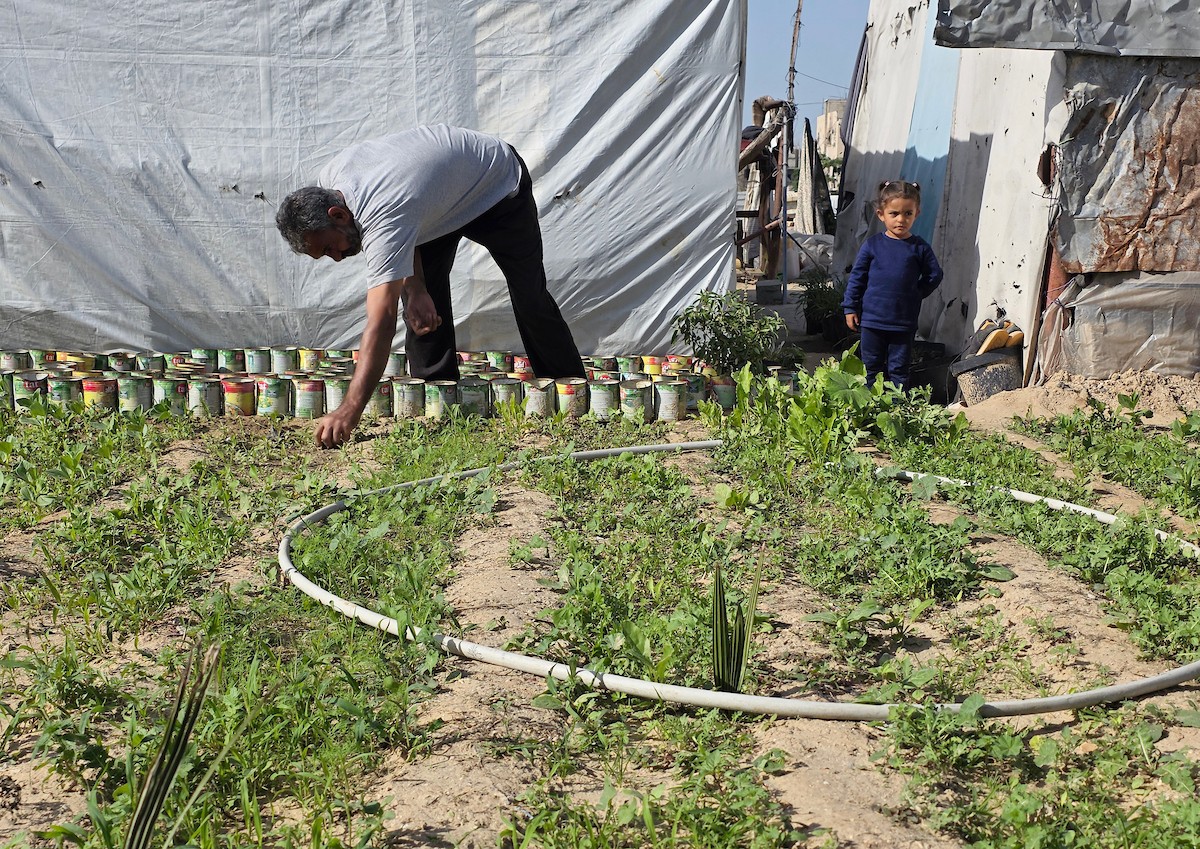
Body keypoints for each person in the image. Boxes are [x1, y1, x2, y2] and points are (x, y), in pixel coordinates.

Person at [276, 124, 586, 448]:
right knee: (421, 302)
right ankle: (437, 396)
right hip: (434, 201)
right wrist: (416, 288)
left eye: (329, 248)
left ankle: (569, 387)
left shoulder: (383, 213)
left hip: (497, 186)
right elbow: (405, 225)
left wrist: (349, 410)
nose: (337, 257)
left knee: (530, 295)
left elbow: (380, 322)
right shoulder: (333, 183)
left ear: (338, 215)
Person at [841, 180, 943, 391]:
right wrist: (850, 307)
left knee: (899, 369)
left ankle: (897, 406)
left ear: (917, 214)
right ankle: (871, 404)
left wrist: (916, 293)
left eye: (908, 213)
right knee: (871, 367)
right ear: (881, 214)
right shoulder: (872, 246)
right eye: (894, 214)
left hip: (903, 323)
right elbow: (857, 278)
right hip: (872, 321)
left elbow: (935, 274)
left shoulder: (919, 248)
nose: (901, 219)